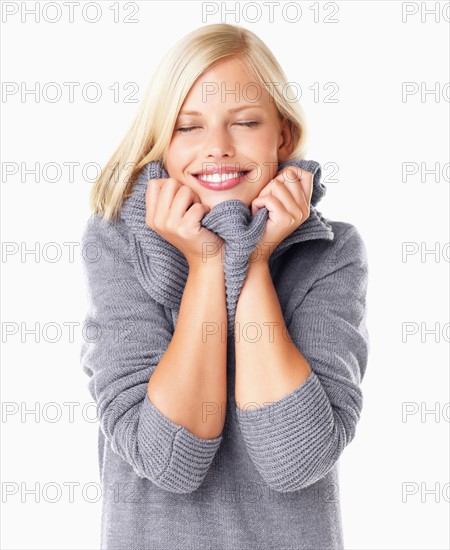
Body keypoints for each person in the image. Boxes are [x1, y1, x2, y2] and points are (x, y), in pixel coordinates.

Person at [80, 22, 369, 550]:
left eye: (245, 122)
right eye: (189, 127)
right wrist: (207, 263)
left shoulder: (331, 251)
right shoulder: (118, 242)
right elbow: (167, 459)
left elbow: (295, 459)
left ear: (281, 134)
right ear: (161, 140)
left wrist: (252, 258)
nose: (216, 148)